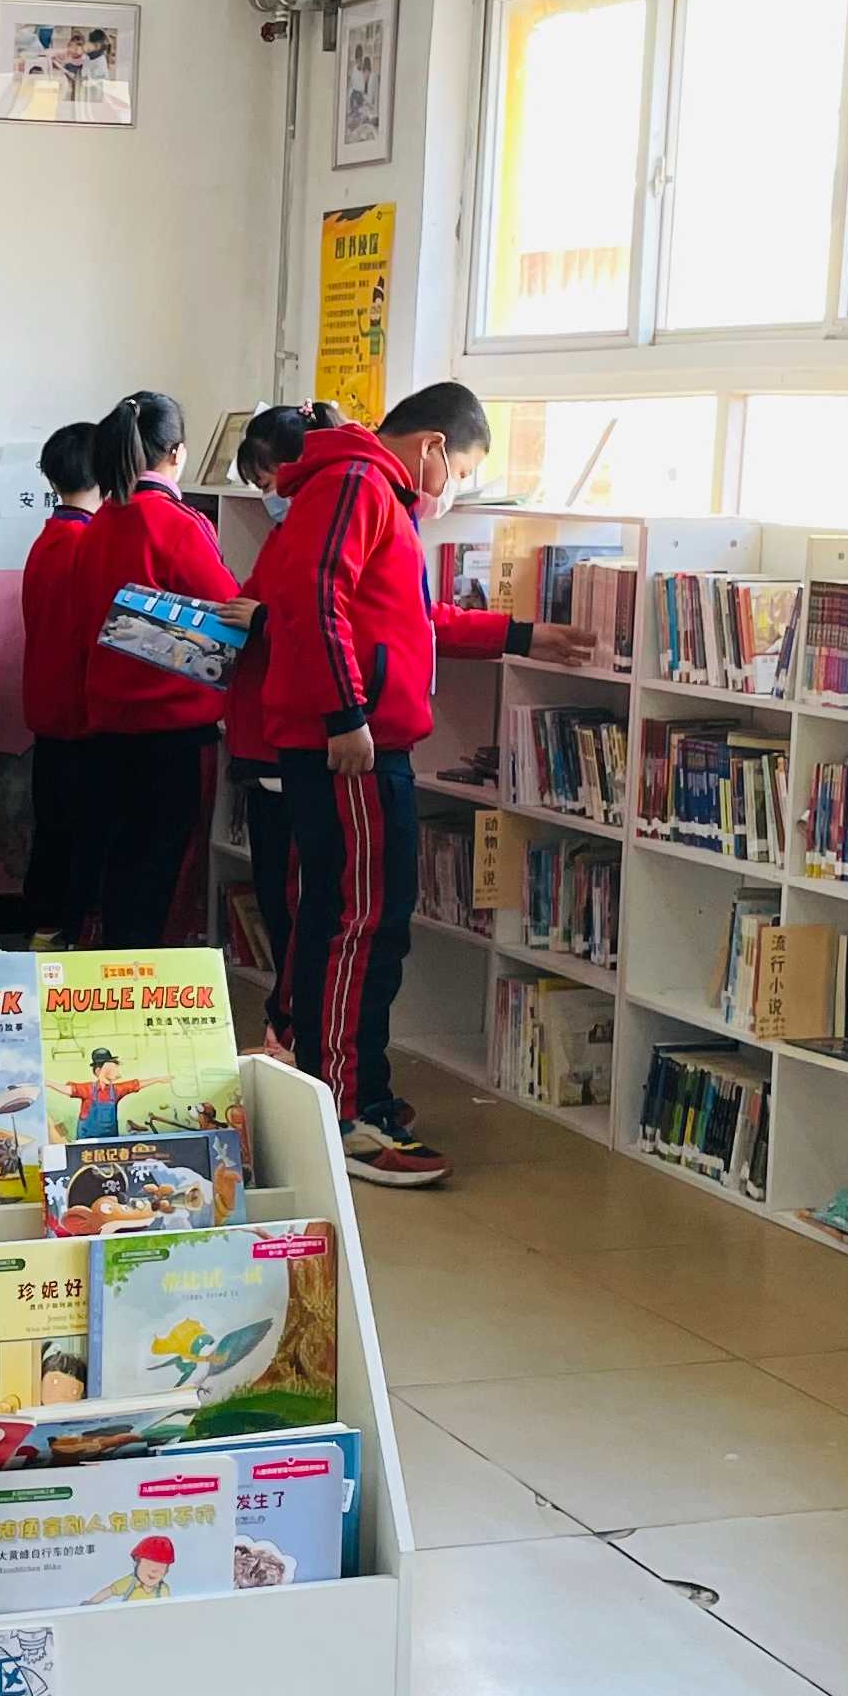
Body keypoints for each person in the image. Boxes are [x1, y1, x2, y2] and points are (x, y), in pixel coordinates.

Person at [247, 384, 590, 1186]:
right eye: (462, 470)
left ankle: (329, 1085)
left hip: (360, 736)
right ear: (434, 445)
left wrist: (522, 633)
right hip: (354, 745)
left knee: (342, 915)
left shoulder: (370, 491)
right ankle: (348, 1109)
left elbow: (412, 623)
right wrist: (345, 714)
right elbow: (315, 596)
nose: (455, 487)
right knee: (362, 923)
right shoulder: (358, 483)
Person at [72, 389, 238, 951]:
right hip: (173, 731)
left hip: (107, 727)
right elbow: (229, 612)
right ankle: (151, 992)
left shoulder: (99, 523)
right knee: (168, 876)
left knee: (120, 870)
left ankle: (114, 981)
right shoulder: (180, 524)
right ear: (177, 453)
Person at [222, 402, 330, 1053]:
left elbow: (317, 624)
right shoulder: (286, 532)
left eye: (270, 481)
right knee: (276, 892)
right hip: (260, 739)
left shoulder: (320, 531)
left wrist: (258, 618)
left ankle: (290, 1026)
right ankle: (286, 1020)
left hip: (286, 742)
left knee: (291, 897)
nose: (269, 495)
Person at [16, 421, 104, 950]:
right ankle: (67, 943)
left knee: (52, 834)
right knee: (80, 842)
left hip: (49, 713)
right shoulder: (87, 544)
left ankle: (45, 934)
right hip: (82, 718)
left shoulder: (50, 538)